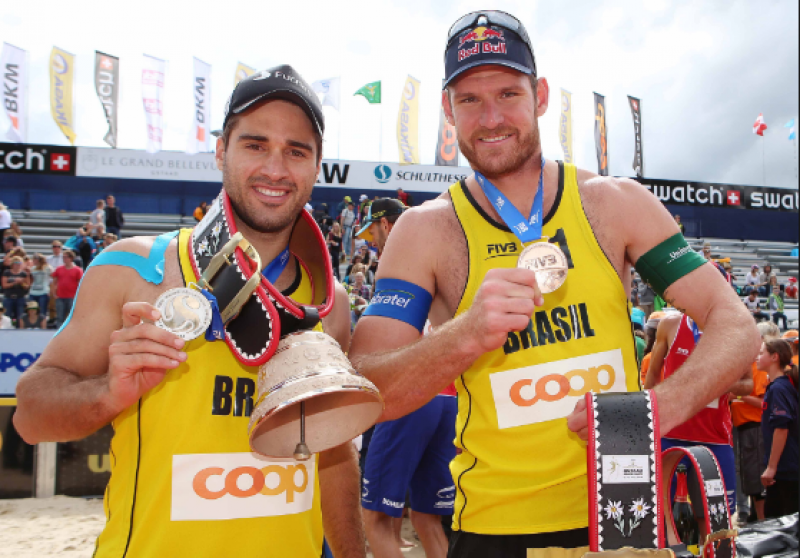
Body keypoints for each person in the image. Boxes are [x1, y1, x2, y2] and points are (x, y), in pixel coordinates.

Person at [348, 11, 759, 558]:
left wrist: (663, 405)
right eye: (469, 99)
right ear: (448, 111)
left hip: (624, 518)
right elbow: (367, 392)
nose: (491, 117)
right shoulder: (423, 231)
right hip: (497, 529)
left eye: (508, 94)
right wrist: (465, 335)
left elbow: (736, 324)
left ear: (540, 95)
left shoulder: (616, 203)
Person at [13, 65, 364, 558]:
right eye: (255, 144)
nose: (276, 168)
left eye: (296, 151)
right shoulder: (132, 269)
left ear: (317, 164)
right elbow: (29, 417)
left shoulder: (330, 303)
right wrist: (108, 394)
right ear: (221, 150)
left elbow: (332, 451)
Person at [354, 198, 455, 558]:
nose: (373, 241)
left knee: (375, 519)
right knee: (428, 518)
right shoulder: (443, 250)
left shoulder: (400, 262)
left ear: (387, 225)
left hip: (409, 395)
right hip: (448, 398)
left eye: (374, 232)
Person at [645, 312, 753, 517]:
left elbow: (748, 384)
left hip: (714, 438)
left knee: (716, 517)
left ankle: (709, 550)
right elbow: (651, 377)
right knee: (665, 515)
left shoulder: (734, 329)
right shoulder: (670, 324)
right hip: (670, 435)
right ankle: (672, 550)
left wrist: (716, 382)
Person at [731, 320, 777, 525]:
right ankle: (751, 514)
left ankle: (761, 519)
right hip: (741, 425)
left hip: (755, 426)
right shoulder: (747, 363)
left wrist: (738, 397)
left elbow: (762, 403)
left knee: (756, 474)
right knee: (746, 472)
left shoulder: (759, 369)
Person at [757, 339, 799, 518]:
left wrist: (772, 467)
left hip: (785, 470)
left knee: (780, 525)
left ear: (774, 357)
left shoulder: (779, 388)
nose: (757, 357)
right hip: (786, 468)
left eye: (761, 353)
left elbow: (781, 428)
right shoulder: (779, 386)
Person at [51, 250, 83, 329]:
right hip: (60, 296)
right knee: (60, 317)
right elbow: (54, 282)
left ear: (71, 258)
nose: (64, 259)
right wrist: (54, 294)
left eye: (66, 257)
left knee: (72, 317)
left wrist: (78, 296)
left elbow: (80, 284)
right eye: (63, 257)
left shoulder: (78, 270)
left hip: (72, 297)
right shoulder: (59, 269)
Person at [1, 256, 30, 326]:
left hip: (20, 297)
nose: (17, 265)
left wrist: (21, 283)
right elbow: (4, 285)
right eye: (15, 263)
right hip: (8, 297)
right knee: (8, 315)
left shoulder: (24, 274)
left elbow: (27, 286)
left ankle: (19, 329)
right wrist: (14, 282)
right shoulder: (7, 272)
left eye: (19, 263)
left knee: (20, 316)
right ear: (12, 264)